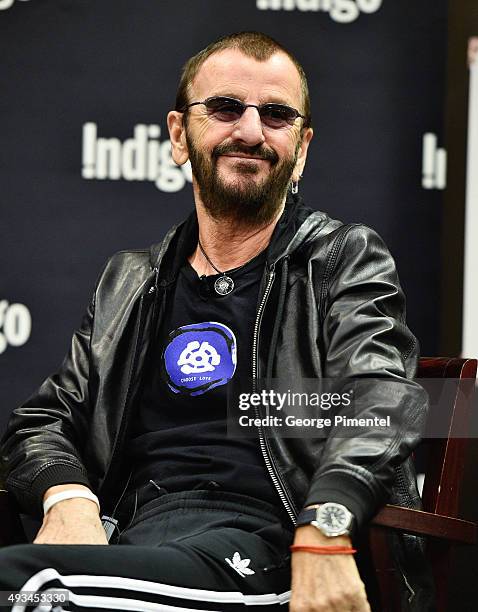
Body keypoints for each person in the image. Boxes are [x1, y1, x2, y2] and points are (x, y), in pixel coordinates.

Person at [0, 31, 431, 612]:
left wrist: (326, 525)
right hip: (136, 542)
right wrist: (67, 495)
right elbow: (45, 418)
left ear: (300, 148)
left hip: (269, 547)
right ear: (180, 135)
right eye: (226, 107)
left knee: (17, 582)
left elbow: (381, 400)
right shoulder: (132, 278)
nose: (251, 131)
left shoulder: (340, 259)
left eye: (276, 115)